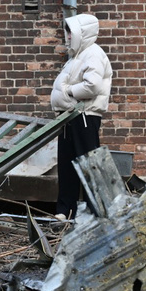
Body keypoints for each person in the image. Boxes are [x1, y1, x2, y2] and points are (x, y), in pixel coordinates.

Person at [50, 14, 113, 221]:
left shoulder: (93, 54)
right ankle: (65, 210)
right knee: (67, 165)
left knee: (88, 165)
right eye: (67, 31)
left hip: (85, 116)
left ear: (82, 32)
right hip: (71, 117)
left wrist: (68, 92)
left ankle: (95, 213)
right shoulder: (77, 56)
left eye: (71, 31)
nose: (67, 36)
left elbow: (92, 86)